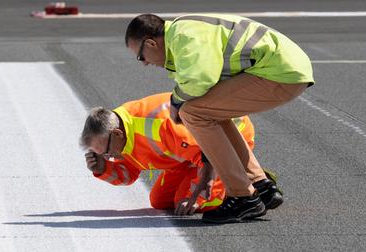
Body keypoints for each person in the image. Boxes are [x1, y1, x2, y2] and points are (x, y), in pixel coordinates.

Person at [124, 14, 313, 223]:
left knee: (193, 113)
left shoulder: (184, 36)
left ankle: (242, 196)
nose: (144, 64)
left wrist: (176, 101)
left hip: (278, 73)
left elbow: (201, 80)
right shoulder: (184, 30)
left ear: (151, 43)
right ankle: (260, 184)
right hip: (283, 69)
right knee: (207, 111)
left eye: (141, 57)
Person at [80, 92, 276, 215]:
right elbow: (129, 174)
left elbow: (210, 152)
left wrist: (197, 197)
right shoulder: (122, 135)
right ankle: (240, 175)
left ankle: (246, 180)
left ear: (116, 134)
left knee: (191, 203)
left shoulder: (158, 126)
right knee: (160, 202)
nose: (109, 157)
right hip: (189, 155)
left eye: (106, 153)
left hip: (227, 137)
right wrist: (103, 168)